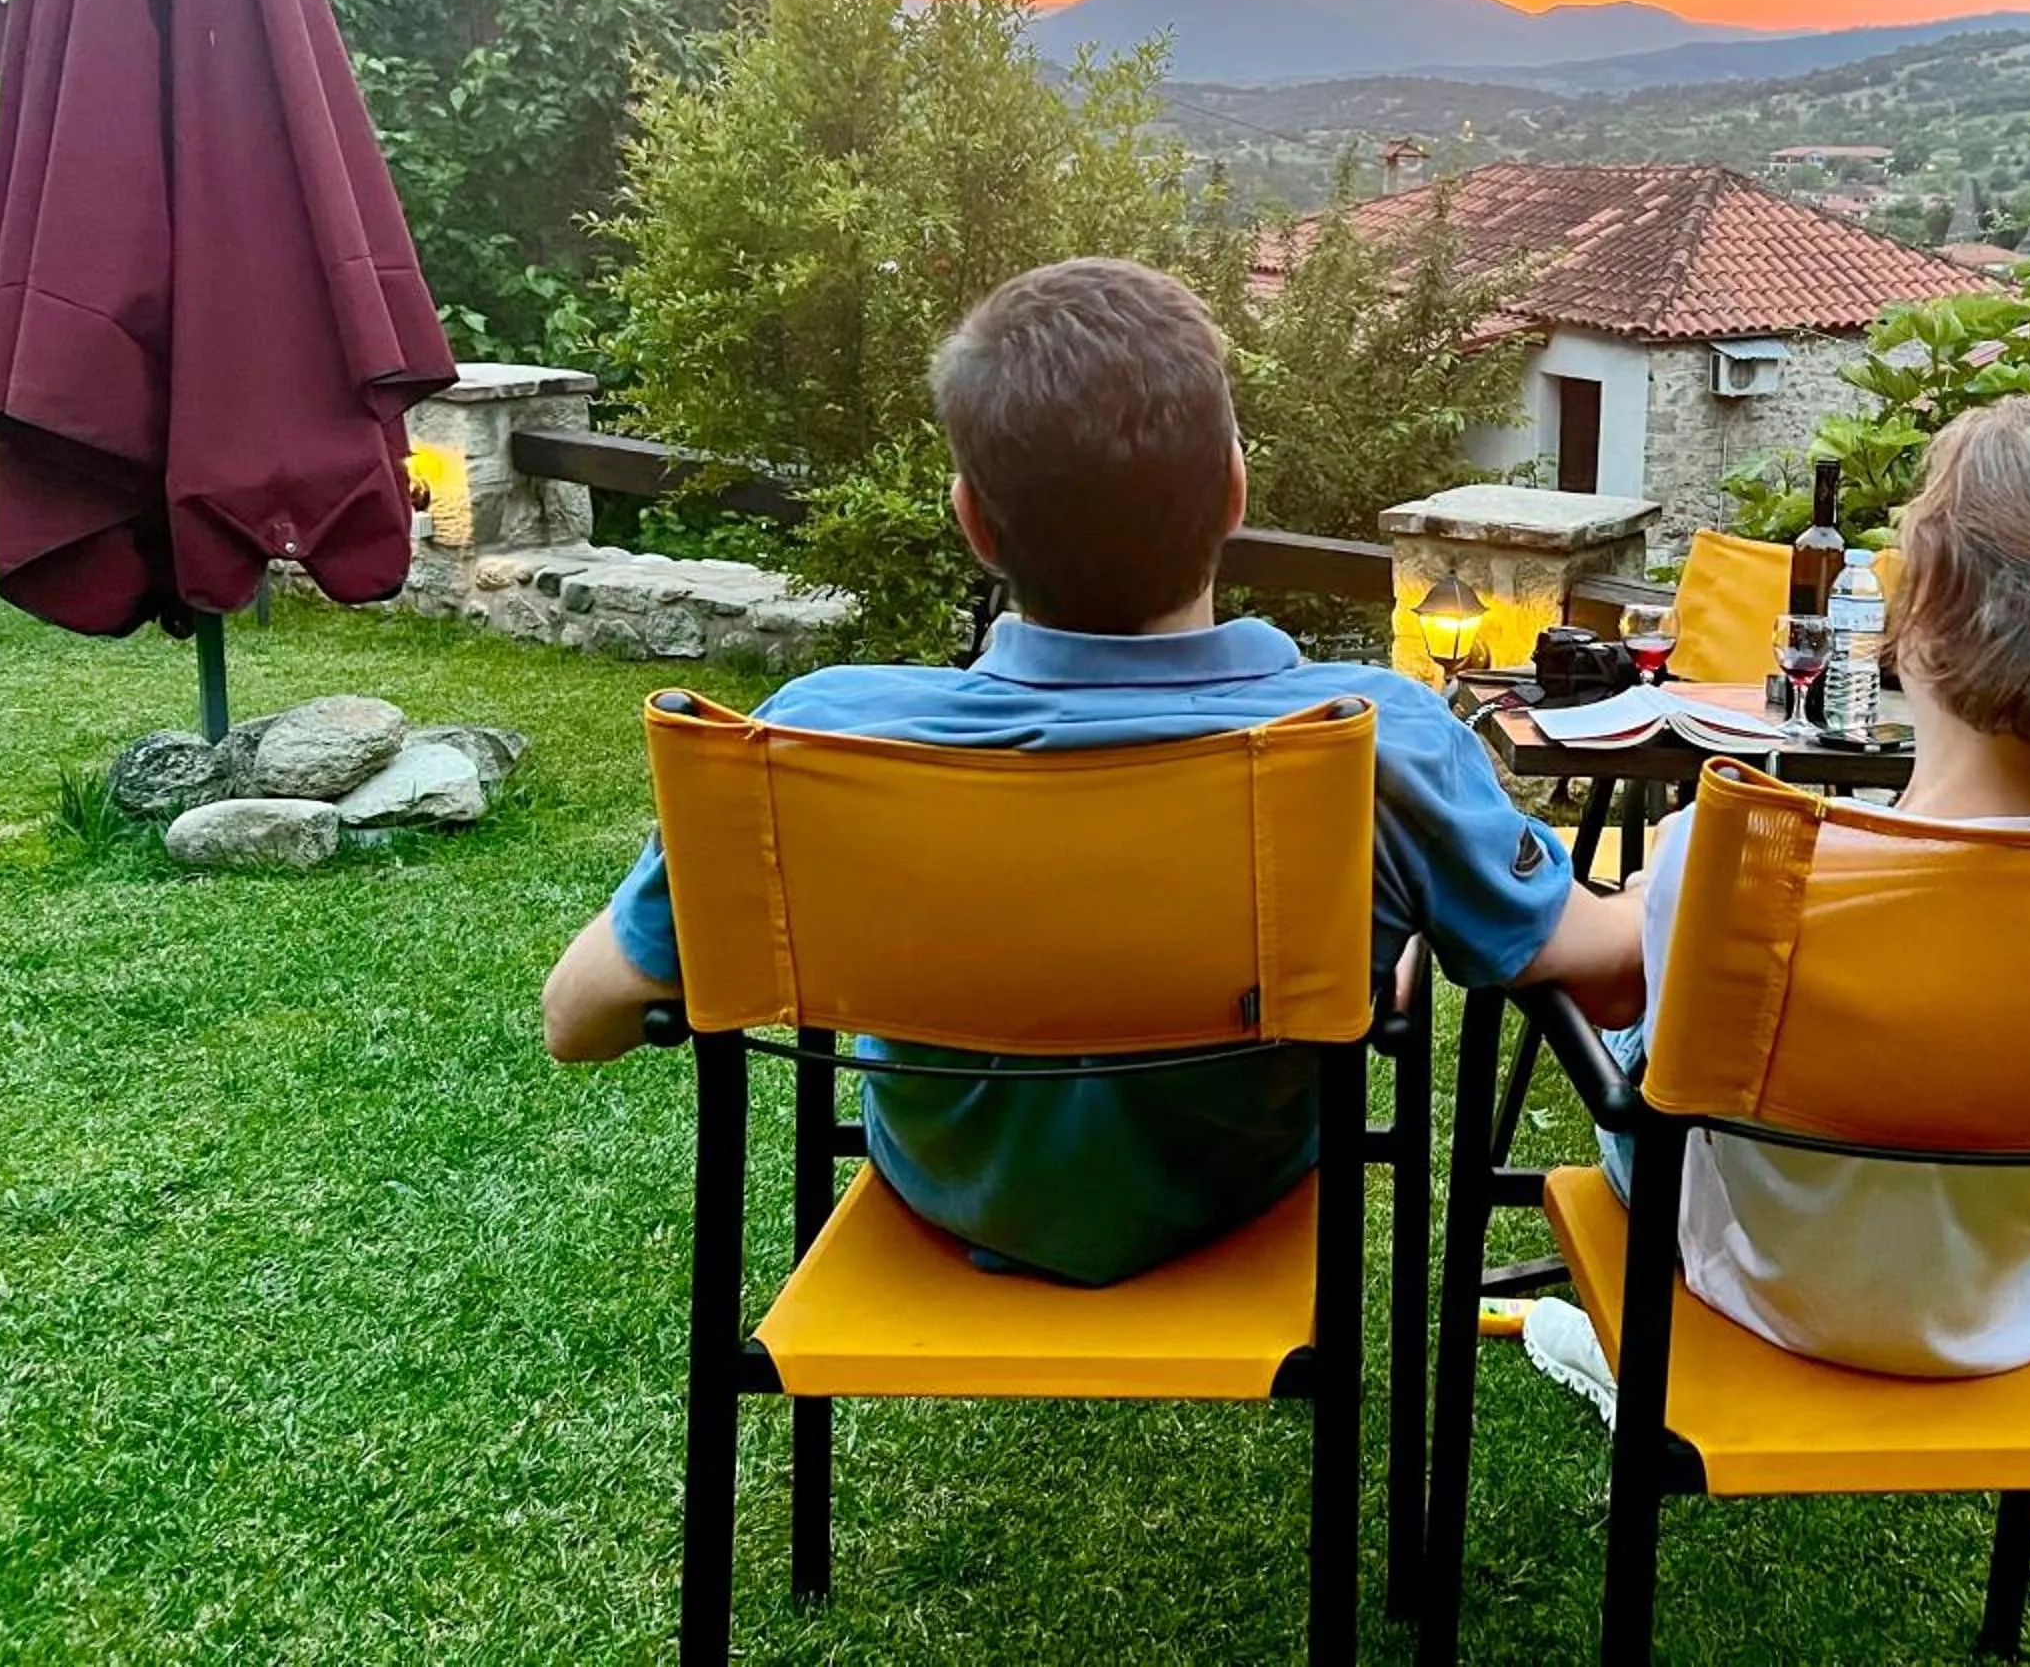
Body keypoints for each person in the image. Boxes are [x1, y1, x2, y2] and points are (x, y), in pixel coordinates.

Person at [544, 256, 1643, 1286]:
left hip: (948, 1193)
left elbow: (577, 1019)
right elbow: (1590, 964)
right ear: (1233, 493)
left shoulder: (812, 741)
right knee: (1387, 953)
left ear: (975, 522)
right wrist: (1669, 874)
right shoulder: (1373, 738)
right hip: (1237, 1195)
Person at [1521, 391, 2030, 1404]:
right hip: (2015, 1305)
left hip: (1759, 1285)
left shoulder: (1744, 858)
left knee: (1647, 1018)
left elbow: (1581, 970)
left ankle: (1623, 1349)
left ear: (1922, 608)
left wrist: (1651, 895)